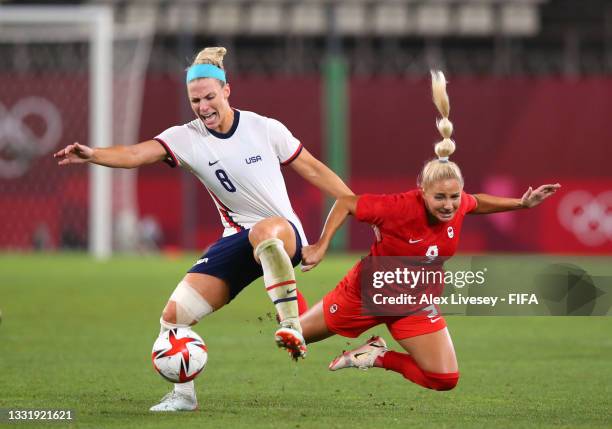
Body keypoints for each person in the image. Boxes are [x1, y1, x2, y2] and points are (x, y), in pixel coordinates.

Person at [53, 47, 353, 411]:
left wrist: (327, 234)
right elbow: (135, 155)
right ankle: (183, 396)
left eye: (210, 97)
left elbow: (319, 173)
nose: (203, 106)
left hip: (281, 232)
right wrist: (94, 154)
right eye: (195, 100)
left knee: (264, 232)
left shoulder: (265, 128)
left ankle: (290, 322)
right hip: (236, 239)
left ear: (227, 91)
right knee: (172, 320)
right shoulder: (186, 137)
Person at [299, 70, 560, 391]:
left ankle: (375, 356)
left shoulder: (459, 204)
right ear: (422, 190)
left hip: (414, 302)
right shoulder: (398, 207)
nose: (449, 205)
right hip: (367, 295)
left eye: (453, 197)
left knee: (444, 379)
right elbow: (347, 203)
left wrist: (521, 204)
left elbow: (476, 202)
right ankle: (285, 292)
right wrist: (322, 244)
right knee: (293, 338)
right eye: (440, 198)